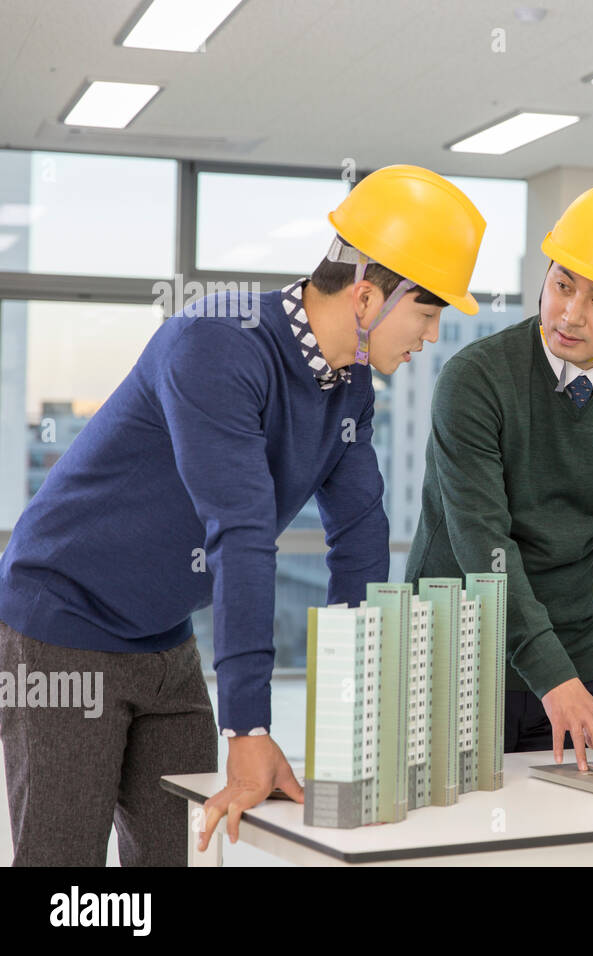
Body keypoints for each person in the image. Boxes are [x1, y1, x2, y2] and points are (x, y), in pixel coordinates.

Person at [0, 164, 485, 864]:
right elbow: (244, 532)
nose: (431, 338)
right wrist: (250, 726)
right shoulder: (216, 344)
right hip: (63, 623)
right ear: (369, 295)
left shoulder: (347, 389)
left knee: (170, 852)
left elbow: (359, 538)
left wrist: (355, 720)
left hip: (163, 637)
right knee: (63, 861)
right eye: (428, 315)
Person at [405, 183, 593, 770]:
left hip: (571, 651)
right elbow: (484, 544)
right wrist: (551, 677)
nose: (570, 313)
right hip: (454, 654)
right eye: (563, 285)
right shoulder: (476, 380)